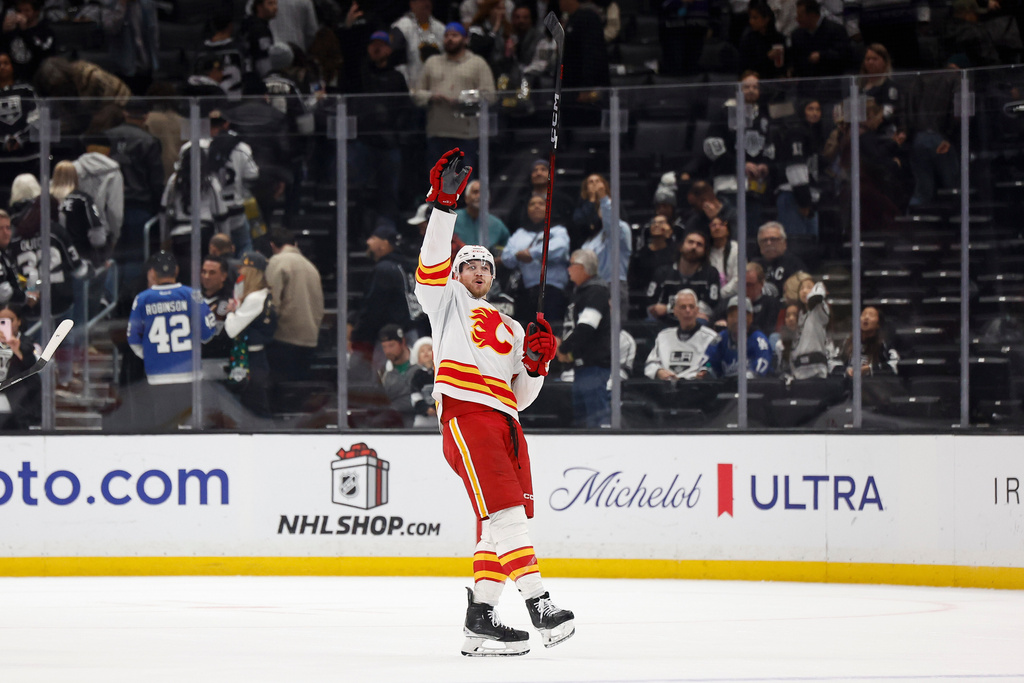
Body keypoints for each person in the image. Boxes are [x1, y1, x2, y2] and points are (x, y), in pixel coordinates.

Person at [412, 148, 574, 656]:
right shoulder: (446, 304)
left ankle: (480, 620)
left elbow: (522, 398)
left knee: (498, 523)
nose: (478, 270)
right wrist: (445, 204)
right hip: (467, 415)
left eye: (484, 265)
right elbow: (431, 266)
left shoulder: (507, 326)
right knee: (507, 514)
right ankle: (539, 603)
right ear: (457, 275)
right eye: (469, 265)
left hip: (506, 423)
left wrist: (537, 365)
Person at [119, 251, 217, 431]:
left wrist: (149, 355)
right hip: (189, 373)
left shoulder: (143, 299)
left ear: (153, 273)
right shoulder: (192, 295)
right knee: (190, 426)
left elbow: (133, 338)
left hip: (158, 375)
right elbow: (208, 332)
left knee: (165, 427)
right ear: (177, 270)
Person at [412, 22, 496, 173]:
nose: (450, 39)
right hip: (437, 133)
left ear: (465, 40)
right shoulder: (432, 62)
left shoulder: (477, 63)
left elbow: (490, 95)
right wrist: (431, 96)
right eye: (447, 36)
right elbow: (416, 93)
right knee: (437, 184)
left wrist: (463, 99)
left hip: (466, 134)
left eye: (455, 35)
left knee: (462, 183)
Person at [558, 248, 611, 428]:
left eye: (571, 265)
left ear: (581, 267)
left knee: (595, 420)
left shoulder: (596, 291)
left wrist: (564, 348)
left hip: (594, 368)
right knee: (582, 422)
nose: (568, 269)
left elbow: (587, 327)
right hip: (582, 368)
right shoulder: (582, 292)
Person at [350, 219, 417, 360]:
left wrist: (359, 336)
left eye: (373, 238)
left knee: (385, 379)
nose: (368, 242)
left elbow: (373, 307)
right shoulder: (407, 267)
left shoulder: (384, 269)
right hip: (411, 334)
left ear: (385, 244)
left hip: (390, 339)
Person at [265, 227, 325, 383]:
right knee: (298, 393)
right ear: (295, 244)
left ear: (272, 246)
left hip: (284, 339)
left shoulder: (277, 261)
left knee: (281, 393)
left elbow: (272, 303)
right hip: (310, 338)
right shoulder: (311, 266)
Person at [501, 193, 570, 325]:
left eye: (541, 203)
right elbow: (506, 257)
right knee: (526, 331)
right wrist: (517, 256)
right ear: (527, 209)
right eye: (532, 204)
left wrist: (532, 253)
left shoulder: (558, 230)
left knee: (550, 331)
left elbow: (559, 247)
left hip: (552, 291)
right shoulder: (520, 234)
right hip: (526, 292)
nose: (536, 206)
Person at [224, 251, 274, 417]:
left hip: (253, 361)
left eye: (243, 268)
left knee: (256, 410)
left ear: (252, 272)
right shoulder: (262, 294)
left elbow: (232, 330)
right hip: (255, 358)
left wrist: (230, 312)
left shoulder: (254, 298)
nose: (240, 272)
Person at [646, 227, 721, 326]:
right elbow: (652, 305)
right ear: (681, 246)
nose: (694, 246)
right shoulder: (662, 272)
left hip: (695, 321)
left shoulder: (711, 273)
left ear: (704, 251)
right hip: (665, 321)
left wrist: (669, 308)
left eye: (699, 244)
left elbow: (711, 304)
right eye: (690, 242)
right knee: (648, 324)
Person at [645, 289, 720, 381]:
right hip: (666, 388)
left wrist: (705, 371)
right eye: (683, 307)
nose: (688, 310)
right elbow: (651, 363)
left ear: (697, 310)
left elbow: (712, 364)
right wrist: (658, 371)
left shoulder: (711, 337)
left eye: (691, 307)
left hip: (697, 388)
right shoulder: (663, 336)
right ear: (675, 311)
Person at [701, 295, 773, 378]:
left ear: (750, 317)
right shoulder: (720, 339)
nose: (736, 320)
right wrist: (706, 370)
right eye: (732, 315)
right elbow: (708, 362)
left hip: (754, 389)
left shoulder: (759, 340)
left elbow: (760, 368)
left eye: (740, 315)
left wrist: (747, 377)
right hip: (725, 388)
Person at [0, 302, 39, 429]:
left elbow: (32, 369)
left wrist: (16, 348)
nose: (5, 324)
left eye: (10, 320)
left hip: (19, 404)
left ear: (19, 321)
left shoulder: (28, 343)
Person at [390, 0, 446, 88]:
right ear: (412, 4)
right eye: (422, 1)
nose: (426, 3)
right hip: (412, 85)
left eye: (429, 1)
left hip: (437, 85)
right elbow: (397, 62)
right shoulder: (402, 27)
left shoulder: (441, 28)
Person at [787, 272, 831, 380]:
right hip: (799, 370)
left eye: (808, 287)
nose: (804, 291)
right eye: (801, 288)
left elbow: (817, 296)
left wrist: (818, 286)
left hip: (816, 369)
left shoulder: (818, 310)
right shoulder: (801, 315)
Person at [835, 305, 899, 377]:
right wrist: (847, 371)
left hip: (874, 385)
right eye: (863, 314)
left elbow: (894, 366)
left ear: (878, 324)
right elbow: (833, 364)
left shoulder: (883, 344)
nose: (866, 317)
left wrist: (870, 369)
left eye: (871, 315)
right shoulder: (847, 342)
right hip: (850, 384)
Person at [0, 0, 55, 82]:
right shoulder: (12, 30)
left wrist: (25, 31)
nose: (22, 14)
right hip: (13, 77)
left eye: (27, 11)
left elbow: (41, 52)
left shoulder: (45, 31)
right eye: (19, 11)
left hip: (37, 76)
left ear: (36, 12)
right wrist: (2, 31)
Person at [454, 179, 510, 253]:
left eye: (483, 193)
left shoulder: (497, 224)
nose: (479, 196)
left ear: (489, 200)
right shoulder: (453, 218)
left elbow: (507, 249)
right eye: (475, 192)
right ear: (466, 198)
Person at [754, 221, 806, 301]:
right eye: (764, 240)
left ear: (784, 243)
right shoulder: (754, 266)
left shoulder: (794, 264)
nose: (769, 243)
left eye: (773, 239)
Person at [378, 323, 416, 426]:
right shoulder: (382, 371)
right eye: (384, 347)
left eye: (391, 345)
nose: (388, 351)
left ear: (402, 342)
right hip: (394, 425)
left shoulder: (422, 362)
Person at [708, 216, 739, 302]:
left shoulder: (736, 249)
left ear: (728, 230)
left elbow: (738, 280)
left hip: (732, 297)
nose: (717, 228)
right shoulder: (705, 251)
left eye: (721, 224)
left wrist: (719, 294)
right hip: (709, 297)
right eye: (713, 225)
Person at [409, 335, 435, 427]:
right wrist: (425, 408)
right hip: (423, 418)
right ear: (418, 358)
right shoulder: (417, 375)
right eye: (422, 351)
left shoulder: (441, 373)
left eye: (429, 349)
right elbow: (415, 396)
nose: (426, 353)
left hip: (441, 417)